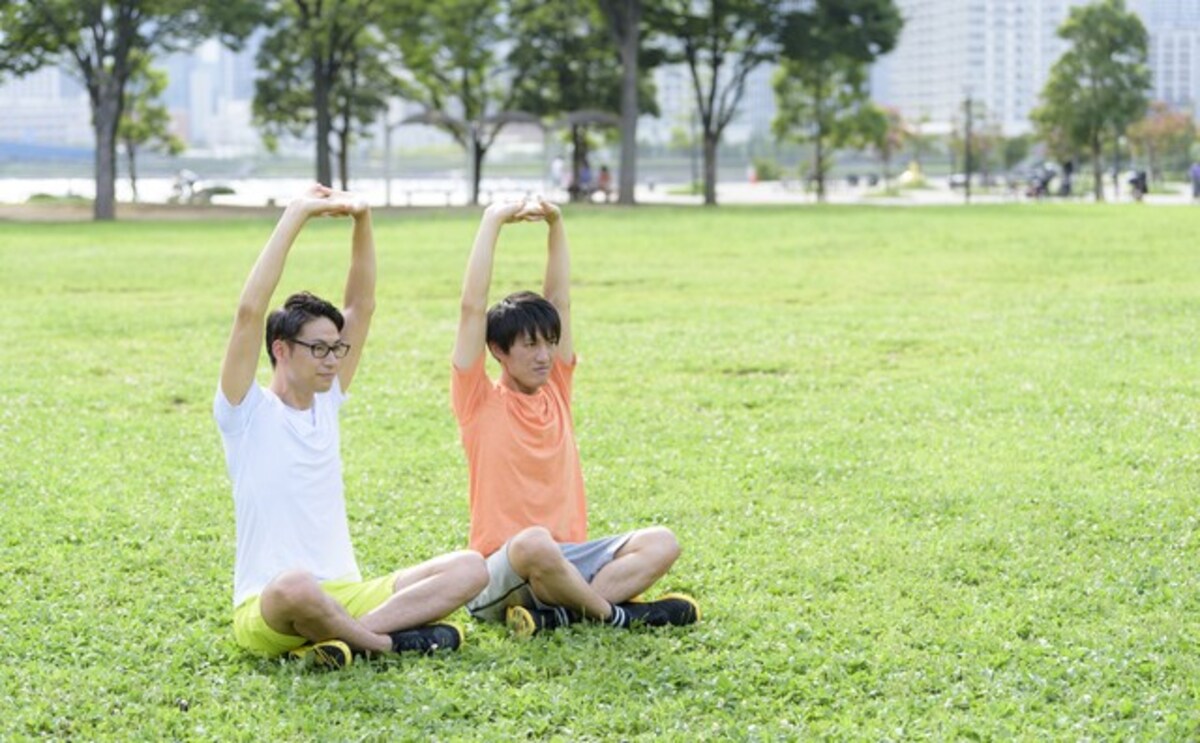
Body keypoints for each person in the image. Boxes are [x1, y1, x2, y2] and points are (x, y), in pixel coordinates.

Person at [214, 185, 488, 668]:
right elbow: (247, 314)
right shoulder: (245, 411)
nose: (331, 360)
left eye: (336, 349)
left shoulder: (327, 402)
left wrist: (362, 218)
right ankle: (382, 643)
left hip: (351, 593)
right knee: (297, 585)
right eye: (318, 348)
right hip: (269, 605)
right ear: (281, 349)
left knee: (471, 567)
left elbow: (361, 305)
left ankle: (341, 638)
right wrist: (295, 213)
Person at [451, 197, 699, 636]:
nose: (545, 356)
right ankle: (615, 616)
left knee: (663, 542)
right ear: (498, 352)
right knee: (533, 542)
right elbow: (472, 307)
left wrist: (555, 223)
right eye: (530, 346)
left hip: (568, 559)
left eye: (550, 342)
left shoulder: (557, 390)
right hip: (504, 570)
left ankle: (563, 613)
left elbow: (560, 299)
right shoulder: (478, 400)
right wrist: (493, 219)